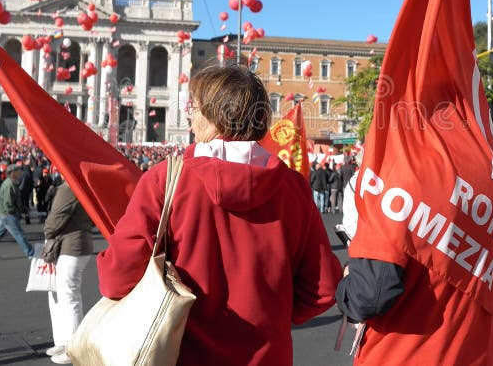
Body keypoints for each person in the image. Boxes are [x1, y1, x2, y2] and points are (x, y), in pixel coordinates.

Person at [97, 66, 341, 365]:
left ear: (215, 115)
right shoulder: (294, 189)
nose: (189, 116)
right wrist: (273, 314)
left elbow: (116, 278)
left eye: (194, 107)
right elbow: (322, 289)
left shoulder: (165, 180)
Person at [43, 182, 94, 364]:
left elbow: (57, 216)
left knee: (68, 295)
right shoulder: (84, 185)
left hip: (71, 245)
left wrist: (47, 231)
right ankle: (66, 342)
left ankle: (72, 348)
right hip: (79, 242)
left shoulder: (68, 187)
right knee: (68, 294)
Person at [0, 164, 35, 260]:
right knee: (19, 234)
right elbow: (8, 203)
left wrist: (23, 210)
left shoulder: (11, 183)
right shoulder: (9, 184)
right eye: (18, 172)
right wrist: (18, 211)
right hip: (8, 215)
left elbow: (15, 201)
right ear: (12, 173)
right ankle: (30, 252)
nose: (20, 174)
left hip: (5, 214)